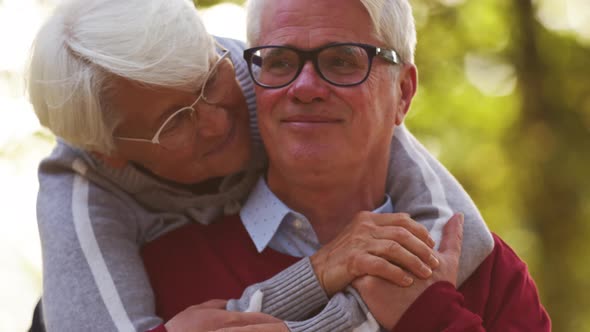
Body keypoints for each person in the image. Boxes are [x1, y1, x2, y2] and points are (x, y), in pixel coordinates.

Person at [27, 0, 494, 331]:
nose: (215, 121)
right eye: (175, 122)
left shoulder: (274, 72)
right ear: (109, 151)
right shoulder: (82, 184)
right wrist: (319, 275)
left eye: (210, 81)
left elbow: (460, 232)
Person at [140, 0, 551, 331]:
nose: (304, 87)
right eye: (280, 61)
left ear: (404, 94)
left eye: (341, 61)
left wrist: (429, 316)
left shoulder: (483, 269)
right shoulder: (168, 266)